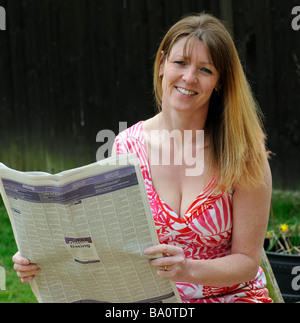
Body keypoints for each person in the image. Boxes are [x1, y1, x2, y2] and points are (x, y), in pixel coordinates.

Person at [12, 13, 273, 303]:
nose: (189, 77)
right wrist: (43, 259)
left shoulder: (245, 155)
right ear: (162, 64)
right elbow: (108, 244)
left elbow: (247, 263)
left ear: (220, 82)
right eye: (180, 62)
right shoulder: (126, 147)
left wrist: (188, 269)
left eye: (205, 70)